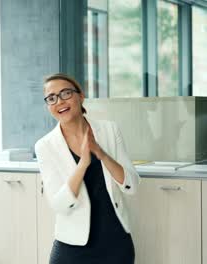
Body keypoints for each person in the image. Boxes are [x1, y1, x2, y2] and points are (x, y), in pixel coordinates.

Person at [34, 73, 140, 264]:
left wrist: (101, 153)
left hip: (115, 242)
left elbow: (131, 184)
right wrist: (83, 164)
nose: (59, 101)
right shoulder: (45, 146)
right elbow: (59, 204)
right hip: (72, 246)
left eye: (66, 93)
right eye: (51, 98)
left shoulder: (109, 130)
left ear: (80, 96)